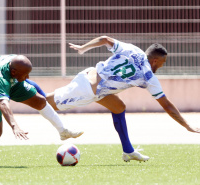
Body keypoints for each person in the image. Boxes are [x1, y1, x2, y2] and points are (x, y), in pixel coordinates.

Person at [30, 36, 200, 162]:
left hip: (95, 84)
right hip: (87, 88)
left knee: (118, 106)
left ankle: (128, 151)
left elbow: (104, 38)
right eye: (163, 62)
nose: (163, 65)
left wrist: (83, 48)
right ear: (155, 60)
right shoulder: (149, 77)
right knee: (43, 103)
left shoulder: (133, 50)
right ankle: (20, 84)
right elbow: (167, 106)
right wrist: (188, 126)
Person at [0, 55, 83, 167]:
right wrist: (14, 125)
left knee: (40, 101)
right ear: (13, 72)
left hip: (12, 83)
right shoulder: (1, 78)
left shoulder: (14, 64)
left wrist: (40, 94)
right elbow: (3, 103)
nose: (28, 77)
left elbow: (30, 84)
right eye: (25, 74)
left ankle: (62, 131)